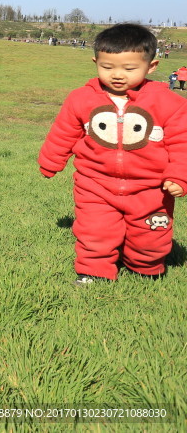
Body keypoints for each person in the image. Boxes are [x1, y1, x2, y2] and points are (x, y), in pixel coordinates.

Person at [38, 23, 187, 285]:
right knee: (94, 231)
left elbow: (182, 143)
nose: (117, 75)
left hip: (150, 189)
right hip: (94, 184)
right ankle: (94, 272)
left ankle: (145, 268)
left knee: (150, 236)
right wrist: (51, 161)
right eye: (107, 67)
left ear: (151, 66)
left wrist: (179, 175)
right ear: (96, 62)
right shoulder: (80, 99)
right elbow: (63, 132)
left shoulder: (170, 103)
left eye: (130, 69)